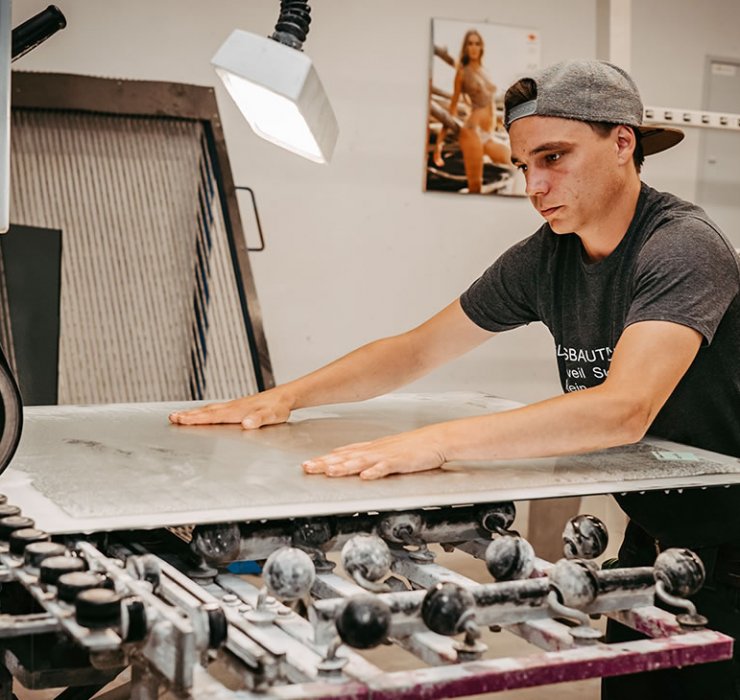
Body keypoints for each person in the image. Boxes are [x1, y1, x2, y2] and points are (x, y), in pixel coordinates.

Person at [170, 59, 740, 698]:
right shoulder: (546, 258)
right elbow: (415, 350)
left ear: (622, 142)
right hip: (657, 539)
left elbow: (621, 409)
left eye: (554, 157)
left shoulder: (682, 246)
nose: (535, 185)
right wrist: (284, 398)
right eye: (523, 165)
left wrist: (435, 442)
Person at [432, 29, 512, 192]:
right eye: (470, 44)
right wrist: (439, 144)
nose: (474, 47)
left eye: (477, 43)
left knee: (512, 160)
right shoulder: (462, 72)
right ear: (466, 47)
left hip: (487, 134)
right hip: (471, 131)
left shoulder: (485, 70)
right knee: (475, 186)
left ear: (481, 47)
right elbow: (452, 109)